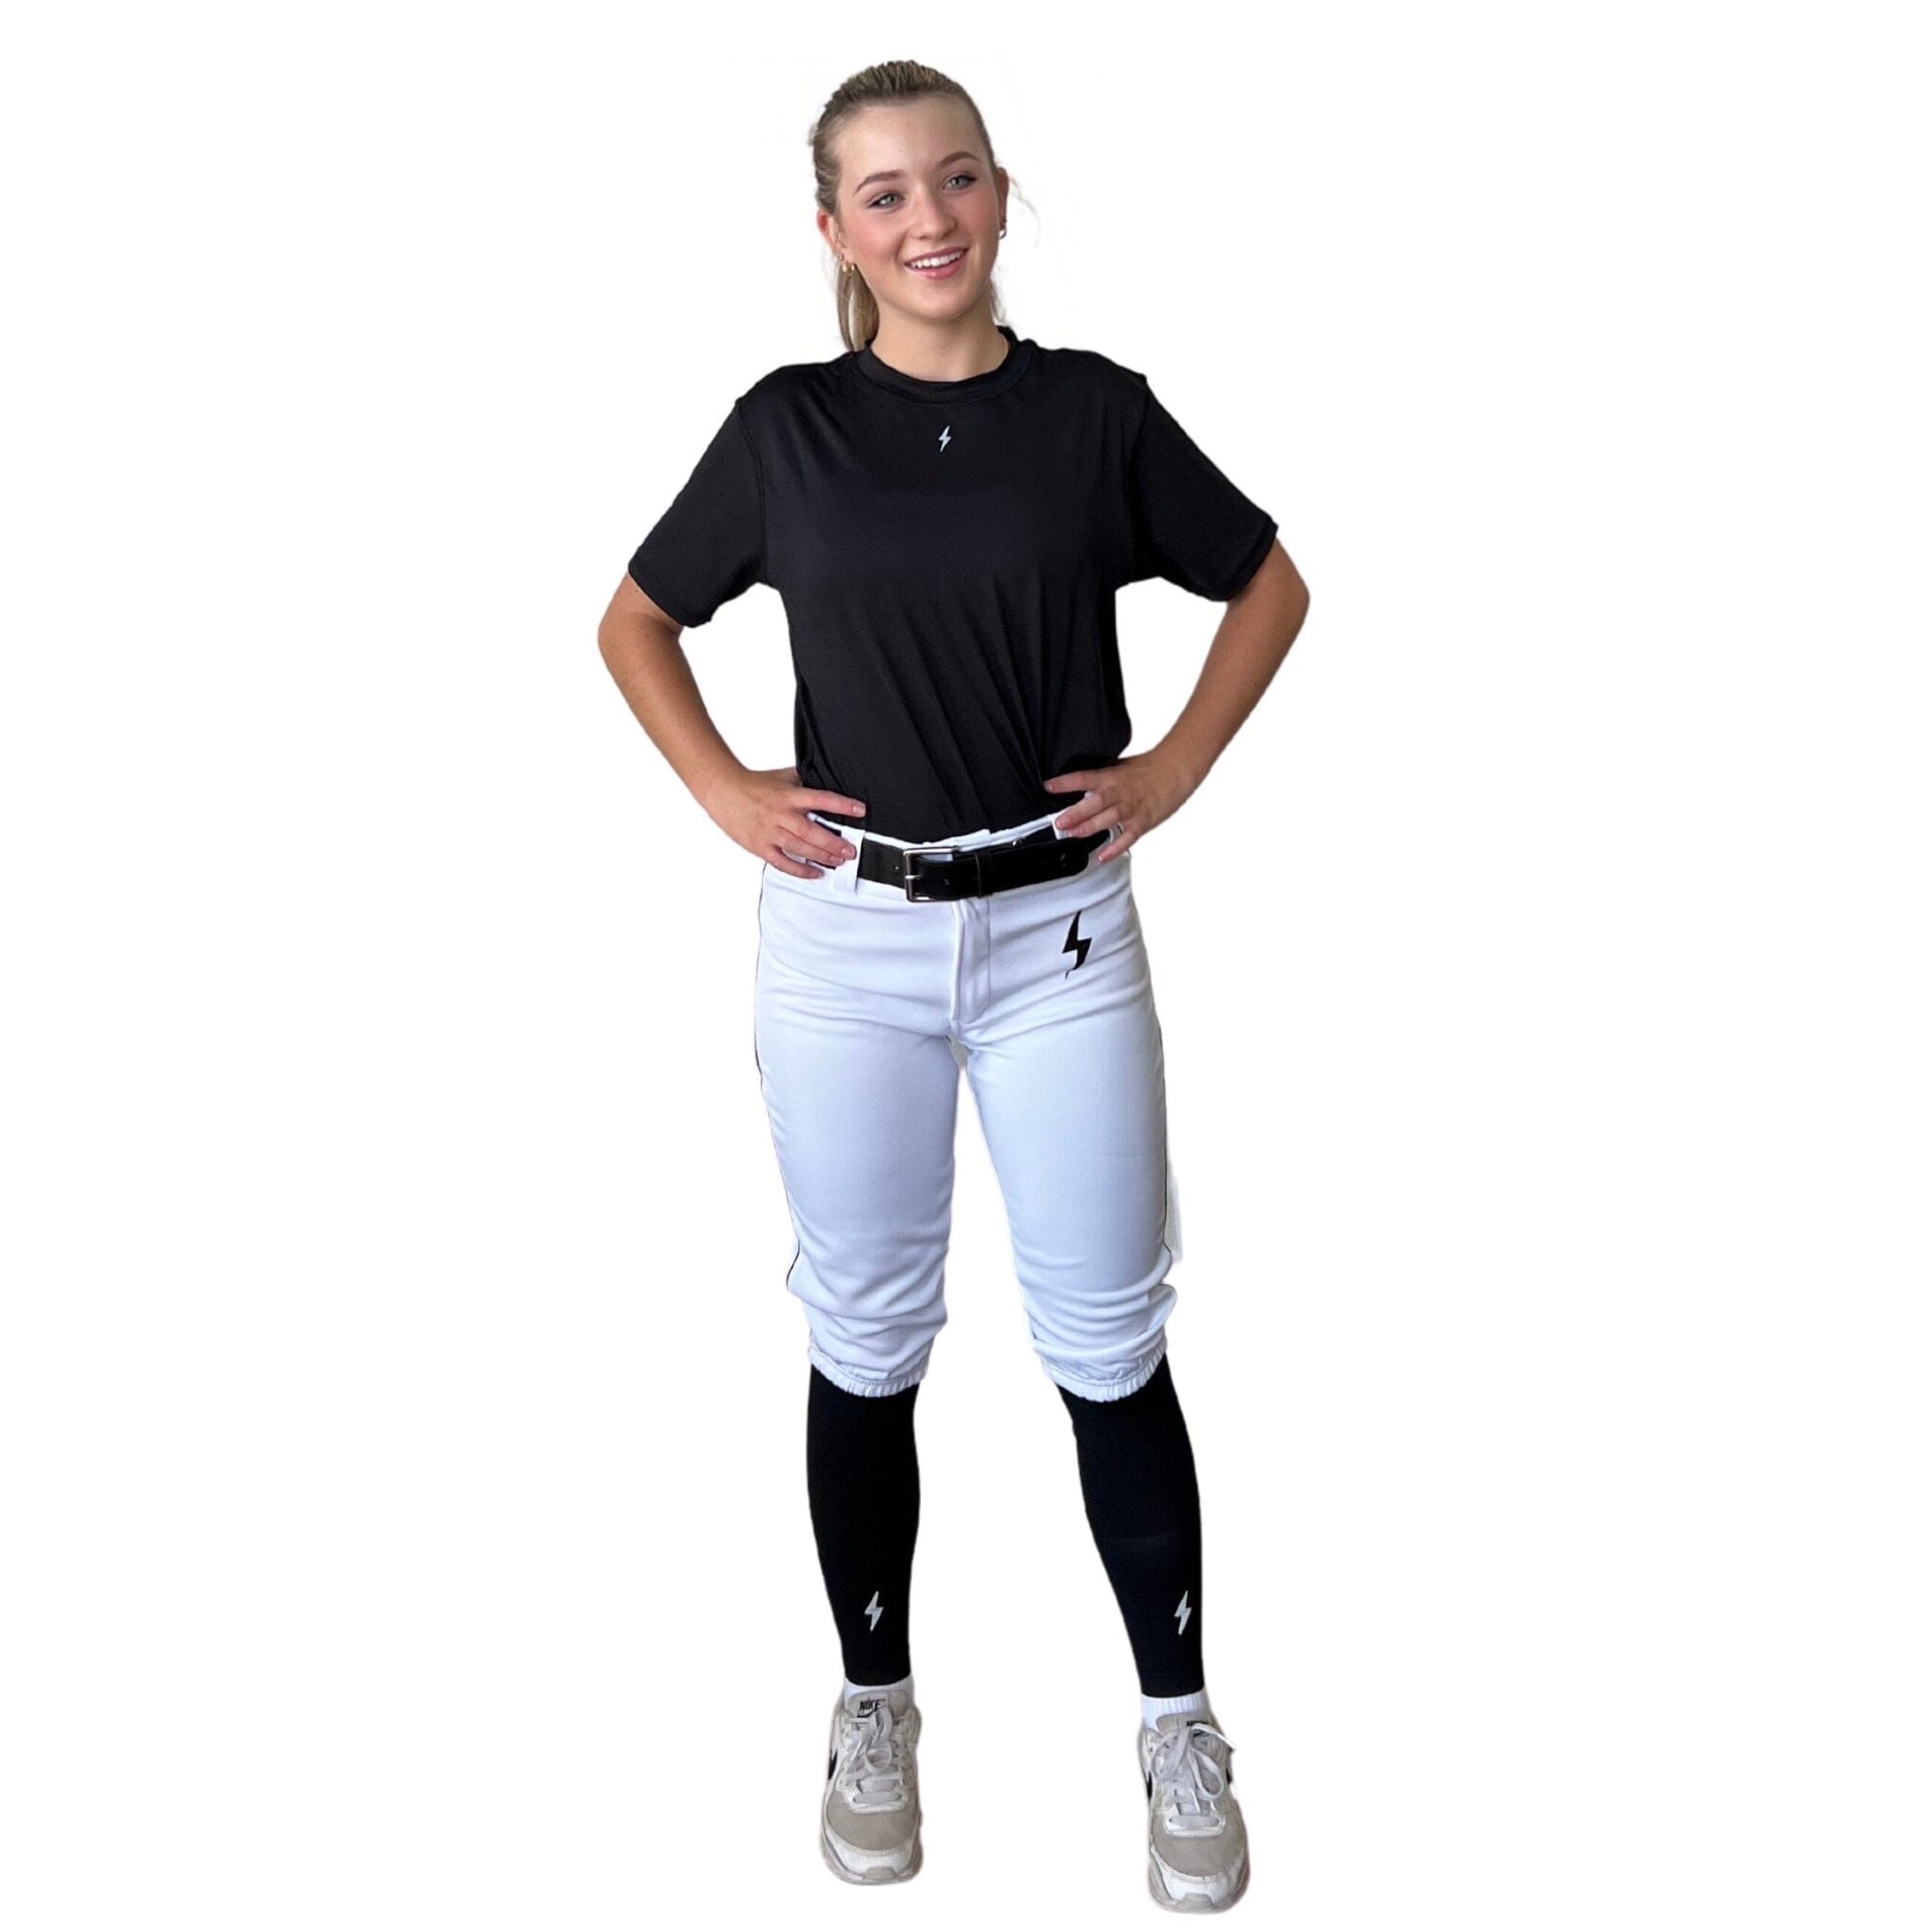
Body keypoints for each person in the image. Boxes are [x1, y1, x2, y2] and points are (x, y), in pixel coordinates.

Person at [597, 60, 1309, 1913]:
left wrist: (1173, 767)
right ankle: (873, 1701)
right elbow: (635, 619)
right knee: (866, 1336)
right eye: (887, 194)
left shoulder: (1092, 415)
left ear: (998, 194)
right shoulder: (786, 431)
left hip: (1059, 938)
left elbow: (1269, 583)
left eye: (958, 179)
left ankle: (1177, 1721)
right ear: (834, 230)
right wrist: (724, 790)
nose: (930, 220)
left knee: (1109, 1340)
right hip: (848, 948)